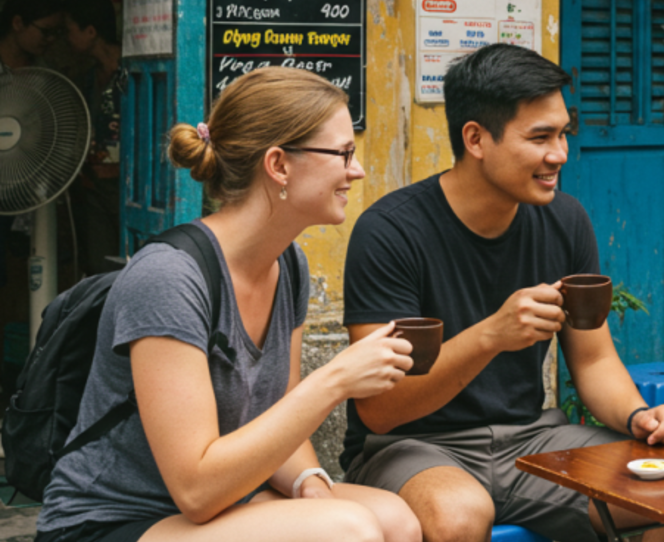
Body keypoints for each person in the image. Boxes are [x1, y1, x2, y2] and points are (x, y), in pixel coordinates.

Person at [35, 67, 420, 542]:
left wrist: (311, 484)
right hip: (116, 520)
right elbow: (195, 490)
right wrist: (336, 380)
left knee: (396, 519)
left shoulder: (290, 265)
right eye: (343, 154)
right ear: (278, 165)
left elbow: (278, 414)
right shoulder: (169, 277)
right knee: (348, 530)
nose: (356, 171)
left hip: (225, 500)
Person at [341, 44, 664, 542]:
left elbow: (594, 361)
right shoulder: (390, 231)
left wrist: (640, 415)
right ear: (476, 138)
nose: (559, 154)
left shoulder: (565, 220)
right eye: (540, 137)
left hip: (533, 439)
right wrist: (491, 335)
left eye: (562, 134)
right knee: (457, 514)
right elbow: (381, 409)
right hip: (413, 446)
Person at [64, 0, 128, 275]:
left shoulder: (132, 72)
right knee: (100, 269)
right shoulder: (86, 79)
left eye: (69, 29)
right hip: (93, 188)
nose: (66, 38)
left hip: (129, 187)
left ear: (90, 31)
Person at [0, 0, 64, 70]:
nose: (51, 38)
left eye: (56, 32)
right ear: (17, 23)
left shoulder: (45, 70)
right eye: (46, 31)